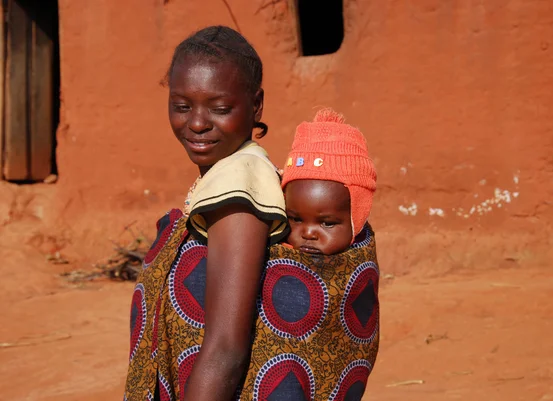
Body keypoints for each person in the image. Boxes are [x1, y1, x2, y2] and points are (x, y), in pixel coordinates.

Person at [125, 25, 288, 401]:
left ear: (256, 105)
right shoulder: (225, 173)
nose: (197, 123)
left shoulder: (239, 182)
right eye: (182, 106)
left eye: (219, 108)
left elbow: (225, 348)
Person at [234, 108, 380, 400]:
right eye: (296, 219)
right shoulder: (273, 260)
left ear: (357, 216)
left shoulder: (360, 264)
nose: (309, 233)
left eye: (327, 222)